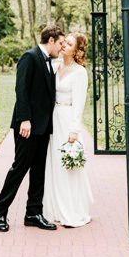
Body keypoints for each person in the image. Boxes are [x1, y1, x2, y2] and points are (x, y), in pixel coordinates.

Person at [0, 25, 66, 232]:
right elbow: (21, 89)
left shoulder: (50, 61)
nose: (62, 47)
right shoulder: (29, 57)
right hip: (27, 126)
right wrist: (24, 119)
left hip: (43, 127)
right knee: (19, 169)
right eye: (60, 43)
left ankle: (33, 213)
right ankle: (0, 212)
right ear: (50, 41)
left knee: (38, 171)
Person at [43, 32, 93, 227]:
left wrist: (74, 130)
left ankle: (72, 209)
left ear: (77, 50)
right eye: (64, 42)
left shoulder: (80, 72)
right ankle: (55, 207)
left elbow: (79, 104)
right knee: (54, 163)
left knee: (67, 164)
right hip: (54, 118)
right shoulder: (56, 66)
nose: (63, 45)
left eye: (69, 44)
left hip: (67, 120)